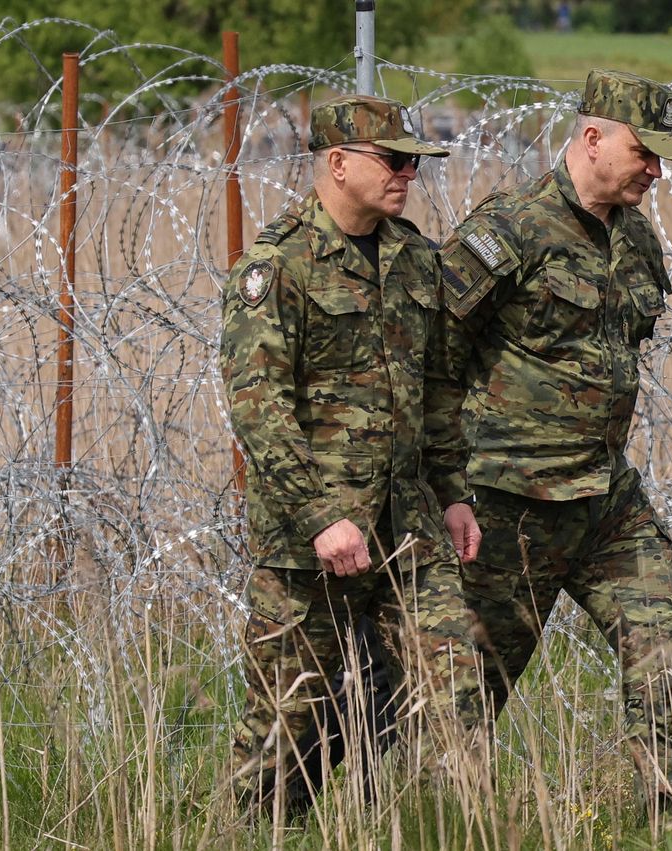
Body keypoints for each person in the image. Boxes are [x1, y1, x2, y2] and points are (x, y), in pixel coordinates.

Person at [436, 69, 672, 816]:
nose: (656, 170)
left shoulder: (638, 240)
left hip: (606, 500)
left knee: (666, 652)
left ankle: (671, 814)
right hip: (512, 503)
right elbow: (435, 354)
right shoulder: (509, 229)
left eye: (662, 158)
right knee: (470, 691)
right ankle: (441, 820)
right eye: (644, 153)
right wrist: (447, 485)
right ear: (592, 137)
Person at [221, 94, 483, 816]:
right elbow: (259, 408)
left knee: (456, 685)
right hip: (313, 541)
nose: (408, 174)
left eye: (413, 162)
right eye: (392, 160)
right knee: (282, 720)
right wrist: (319, 516)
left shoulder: (413, 259)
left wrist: (454, 491)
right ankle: (252, 828)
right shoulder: (277, 267)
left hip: (409, 530)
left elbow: (436, 389)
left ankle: (442, 825)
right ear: (337, 163)